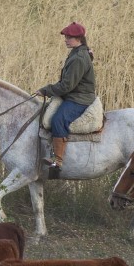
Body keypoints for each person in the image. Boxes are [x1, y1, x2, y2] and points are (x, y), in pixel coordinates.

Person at [37, 21, 97, 175]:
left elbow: (66, 86)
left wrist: (46, 90)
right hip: (73, 94)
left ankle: (58, 161)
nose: (66, 39)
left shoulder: (78, 58)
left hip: (79, 98)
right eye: (66, 37)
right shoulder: (78, 52)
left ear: (78, 39)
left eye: (69, 37)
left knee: (58, 119)